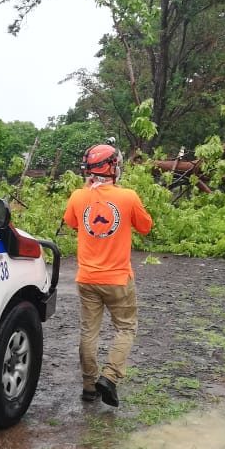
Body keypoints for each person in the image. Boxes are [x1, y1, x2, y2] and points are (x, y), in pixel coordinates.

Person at [62, 143, 153, 407]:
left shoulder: (78, 197)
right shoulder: (128, 197)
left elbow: (71, 222)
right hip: (118, 279)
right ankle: (110, 377)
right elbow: (146, 227)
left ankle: (89, 387)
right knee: (125, 327)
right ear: (112, 167)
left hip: (86, 278)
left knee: (88, 331)